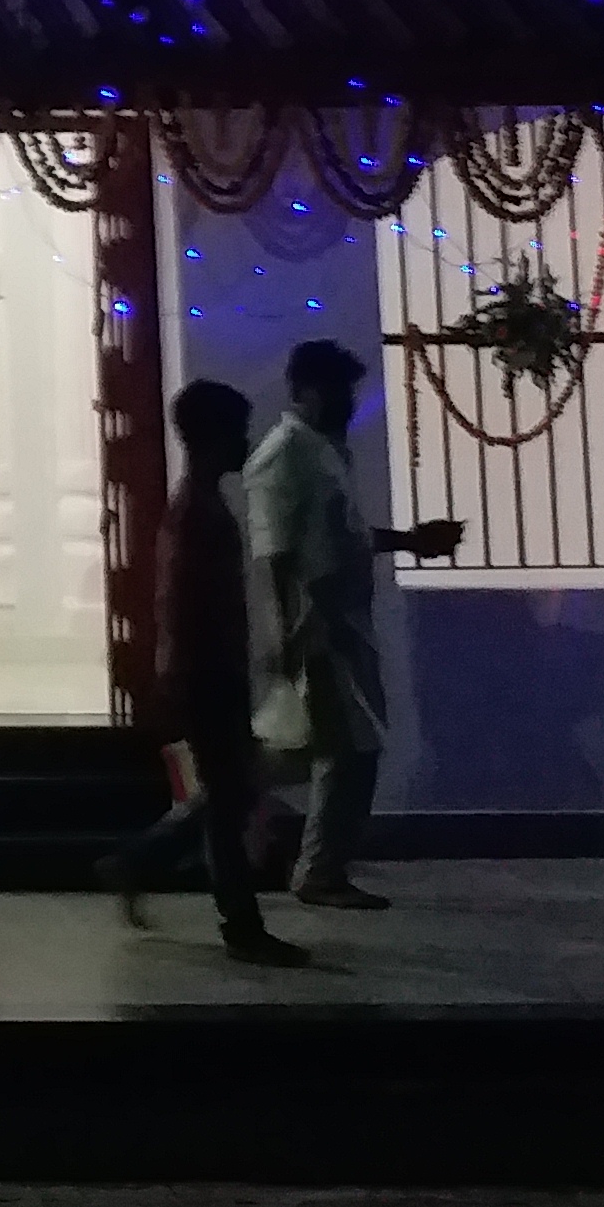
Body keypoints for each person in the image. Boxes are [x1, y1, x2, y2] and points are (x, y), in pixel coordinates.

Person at [242, 339, 460, 910]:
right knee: (339, 750)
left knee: (327, 749)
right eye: (339, 390)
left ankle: (311, 864)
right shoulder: (283, 454)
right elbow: (276, 553)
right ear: (307, 390)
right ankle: (312, 868)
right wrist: (284, 628)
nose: (348, 401)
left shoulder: (323, 449)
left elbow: (343, 537)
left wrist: (412, 541)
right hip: (315, 622)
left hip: (339, 621)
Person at [103, 377, 309, 965]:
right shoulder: (198, 513)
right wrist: (188, 677)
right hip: (207, 676)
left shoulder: (201, 504)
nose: (246, 443)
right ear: (217, 437)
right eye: (239, 432)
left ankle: (138, 864)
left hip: (210, 673)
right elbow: (184, 605)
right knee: (228, 800)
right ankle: (239, 923)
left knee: (228, 794)